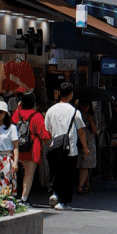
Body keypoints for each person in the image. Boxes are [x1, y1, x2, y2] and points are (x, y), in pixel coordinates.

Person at [44, 83, 88, 211]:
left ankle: (55, 194)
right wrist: (85, 147)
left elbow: (47, 129)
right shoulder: (74, 111)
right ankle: (64, 201)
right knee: (68, 176)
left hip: (54, 147)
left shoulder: (51, 110)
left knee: (56, 173)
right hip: (70, 148)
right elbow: (81, 131)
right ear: (71, 95)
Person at [11, 92, 49, 202]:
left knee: (14, 171)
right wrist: (49, 134)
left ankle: (10, 194)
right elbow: (42, 134)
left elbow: (12, 123)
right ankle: (24, 198)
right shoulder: (37, 116)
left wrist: (18, 107)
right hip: (32, 148)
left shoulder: (17, 113)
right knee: (29, 173)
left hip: (18, 146)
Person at [77, 102, 99, 194]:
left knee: (85, 165)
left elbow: (95, 130)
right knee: (82, 165)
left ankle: (80, 186)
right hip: (79, 142)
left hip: (89, 142)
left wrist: (90, 120)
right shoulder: (77, 115)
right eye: (83, 104)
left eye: (86, 105)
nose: (84, 106)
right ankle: (87, 185)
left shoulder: (93, 116)